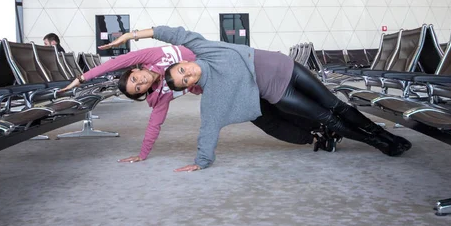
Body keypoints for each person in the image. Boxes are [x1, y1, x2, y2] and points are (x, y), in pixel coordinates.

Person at [103, 26, 412, 172]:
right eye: (185, 80)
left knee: (338, 106)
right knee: (328, 118)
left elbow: (172, 33)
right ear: (188, 85)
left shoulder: (203, 48)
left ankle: (383, 133)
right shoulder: (211, 96)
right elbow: (208, 130)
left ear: (183, 61)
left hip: (287, 67)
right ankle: (380, 143)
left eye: (183, 70)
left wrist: (131, 35)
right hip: (281, 93)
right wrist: (200, 162)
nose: (188, 74)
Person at [62, 44, 339, 163]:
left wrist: (81, 78)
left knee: (281, 102)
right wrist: (143, 154)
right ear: (142, 93)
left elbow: (115, 62)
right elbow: (154, 125)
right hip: (225, 90)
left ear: (135, 69)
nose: (141, 81)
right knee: (265, 119)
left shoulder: (151, 55)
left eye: (135, 77)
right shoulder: (162, 95)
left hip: (235, 68)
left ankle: (328, 124)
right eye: (138, 87)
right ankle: (313, 136)